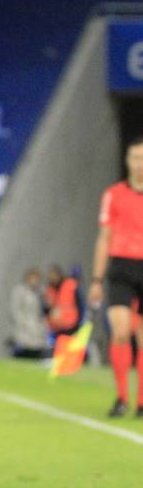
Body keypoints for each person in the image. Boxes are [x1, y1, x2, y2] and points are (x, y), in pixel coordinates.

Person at [88, 136, 143, 417]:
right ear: (127, 161)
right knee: (121, 331)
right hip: (121, 267)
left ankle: (142, 401)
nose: (139, 164)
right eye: (134, 157)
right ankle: (122, 397)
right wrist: (97, 279)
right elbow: (104, 238)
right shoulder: (114, 194)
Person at [9, 267, 47, 359]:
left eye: (37, 279)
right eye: (33, 278)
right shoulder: (20, 291)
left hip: (37, 329)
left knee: (36, 352)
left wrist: (42, 324)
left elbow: (44, 310)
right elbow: (15, 309)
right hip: (24, 328)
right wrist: (21, 323)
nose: (35, 281)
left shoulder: (42, 292)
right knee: (23, 353)